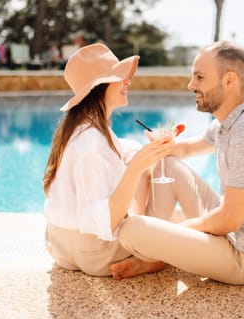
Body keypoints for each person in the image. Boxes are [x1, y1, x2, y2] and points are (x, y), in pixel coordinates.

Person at [110, 41, 244, 285]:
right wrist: (161, 144)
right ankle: (165, 249)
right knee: (169, 164)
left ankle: (162, 252)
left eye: (199, 77)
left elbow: (230, 220)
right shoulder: (227, 123)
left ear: (229, 80)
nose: (191, 85)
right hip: (227, 233)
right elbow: (184, 149)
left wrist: (180, 231)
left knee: (130, 230)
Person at [42, 43, 175, 276]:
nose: (127, 81)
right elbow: (106, 221)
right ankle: (147, 259)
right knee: (170, 241)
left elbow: (120, 149)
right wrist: (136, 168)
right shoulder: (93, 143)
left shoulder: (80, 129)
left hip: (60, 247)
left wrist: (141, 152)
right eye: (119, 76)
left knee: (137, 162)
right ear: (98, 86)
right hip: (96, 254)